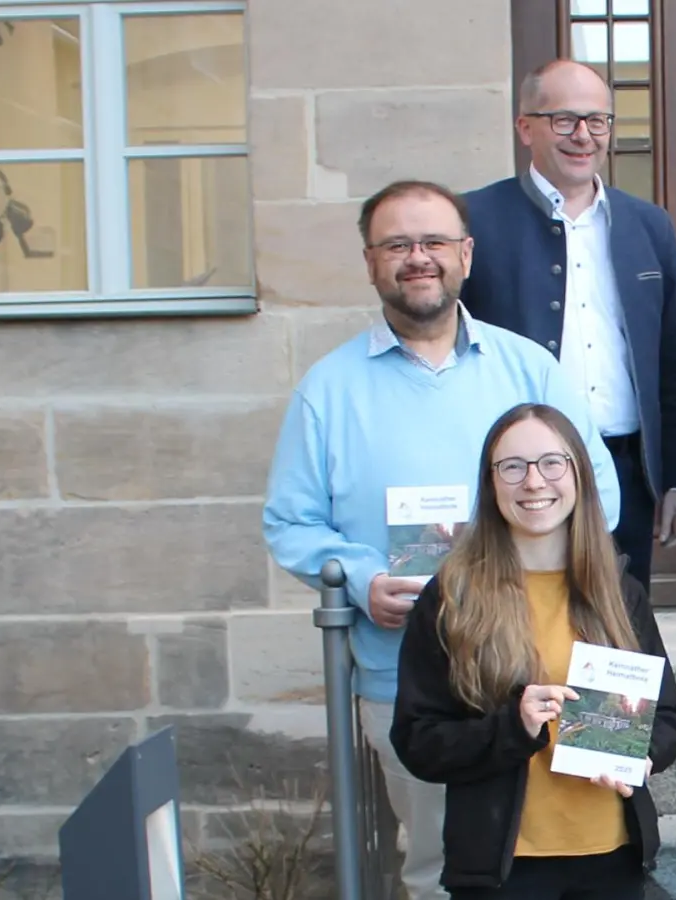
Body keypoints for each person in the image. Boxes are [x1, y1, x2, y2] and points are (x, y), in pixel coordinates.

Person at [262, 180, 622, 900]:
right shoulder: (328, 391)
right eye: (397, 244)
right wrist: (361, 579)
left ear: (465, 254)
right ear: (370, 262)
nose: (416, 258)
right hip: (413, 683)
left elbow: (599, 497)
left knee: (576, 866)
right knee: (441, 874)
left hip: (548, 672)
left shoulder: (530, 369)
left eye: (432, 242)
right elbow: (290, 522)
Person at [389, 402, 676, 899]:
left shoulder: (619, 591)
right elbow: (418, 740)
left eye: (552, 463)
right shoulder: (452, 597)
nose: (534, 482)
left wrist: (636, 754)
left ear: (578, 475)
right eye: (513, 467)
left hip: (610, 857)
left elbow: (668, 718)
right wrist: (514, 727)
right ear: (490, 483)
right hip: (503, 869)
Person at [461, 58, 676, 590]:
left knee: (617, 628)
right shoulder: (474, 219)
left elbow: (673, 360)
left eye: (598, 121)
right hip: (517, 472)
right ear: (525, 127)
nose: (583, 136)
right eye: (564, 120)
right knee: (522, 621)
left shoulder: (648, 224)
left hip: (624, 468)